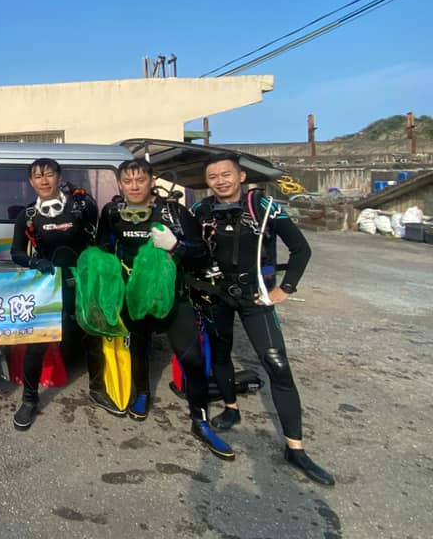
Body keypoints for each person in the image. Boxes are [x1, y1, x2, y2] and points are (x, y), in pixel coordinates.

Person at [190, 153, 334, 485]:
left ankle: (295, 448)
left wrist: (285, 289)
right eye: (213, 176)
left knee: (277, 365)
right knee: (220, 355)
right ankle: (230, 408)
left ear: (241, 176)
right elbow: (189, 248)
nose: (220, 181)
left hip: (256, 297)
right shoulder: (201, 210)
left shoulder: (264, 207)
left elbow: (301, 249)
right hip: (216, 295)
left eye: (226, 174)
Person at [96, 158, 234, 460]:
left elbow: (202, 254)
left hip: (174, 298)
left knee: (193, 359)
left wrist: (175, 246)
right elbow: (102, 247)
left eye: (140, 180)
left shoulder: (174, 212)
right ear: (120, 184)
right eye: (128, 181)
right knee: (138, 348)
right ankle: (142, 393)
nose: (134, 186)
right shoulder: (112, 213)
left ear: (151, 181)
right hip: (134, 296)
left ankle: (200, 420)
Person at [9, 158, 106, 430]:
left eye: (49, 174)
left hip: (82, 284)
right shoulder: (28, 215)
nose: (44, 180)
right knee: (37, 344)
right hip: (50, 288)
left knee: (92, 336)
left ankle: (97, 389)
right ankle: (29, 400)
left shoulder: (81, 207)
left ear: (59, 177)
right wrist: (34, 261)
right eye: (38, 176)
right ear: (31, 182)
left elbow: (100, 240)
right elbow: (16, 252)